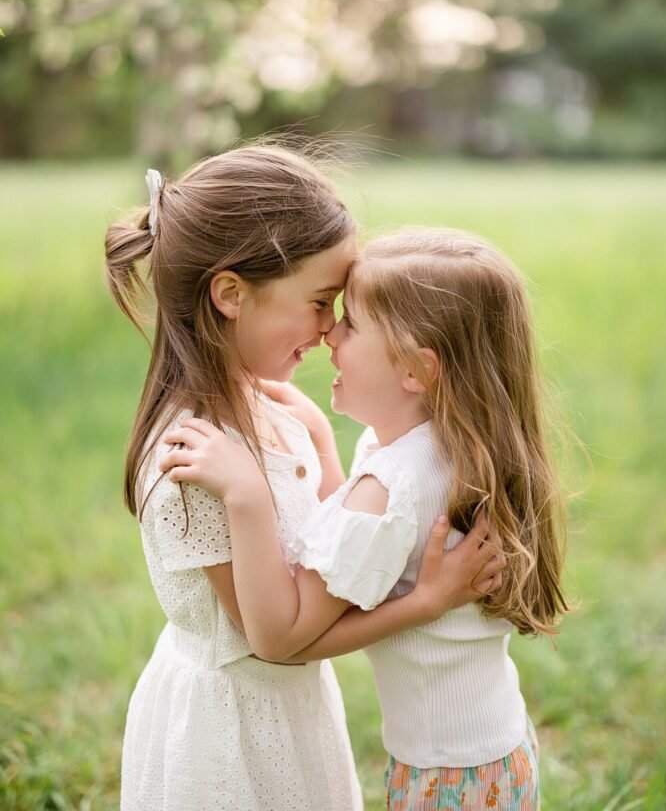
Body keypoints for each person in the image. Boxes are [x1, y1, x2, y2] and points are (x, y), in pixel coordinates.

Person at [105, 149, 503, 811]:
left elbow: (334, 566)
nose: (329, 330)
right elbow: (279, 643)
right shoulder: (192, 460)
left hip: (293, 722)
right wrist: (426, 602)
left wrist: (319, 441)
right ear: (230, 295)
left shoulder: (274, 411)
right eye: (321, 302)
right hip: (225, 735)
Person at [161, 227, 569, 811]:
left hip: (448, 776)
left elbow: (279, 639)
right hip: (494, 749)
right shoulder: (437, 448)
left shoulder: (392, 485)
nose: (329, 333)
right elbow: (355, 550)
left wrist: (246, 495)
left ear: (416, 370)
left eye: (350, 323)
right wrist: (323, 443)